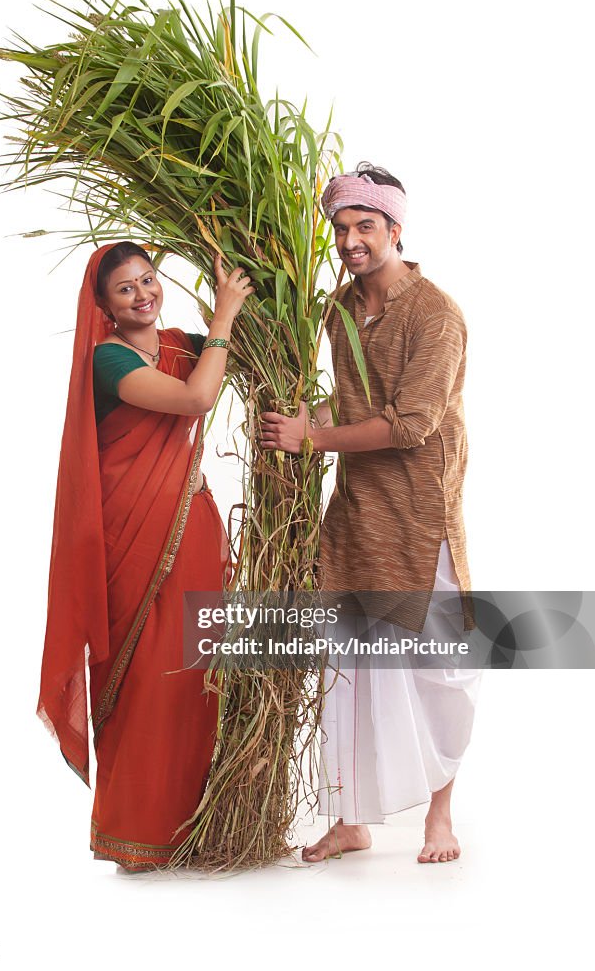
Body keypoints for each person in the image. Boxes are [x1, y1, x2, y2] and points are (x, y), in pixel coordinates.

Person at [260, 163, 482, 864]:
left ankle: (439, 817)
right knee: (346, 667)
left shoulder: (435, 313)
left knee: (439, 665)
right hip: (357, 509)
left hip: (420, 515)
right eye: (341, 228)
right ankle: (348, 817)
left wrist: (314, 438)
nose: (351, 240)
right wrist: (307, 417)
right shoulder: (339, 308)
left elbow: (412, 424)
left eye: (365, 226)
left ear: (395, 229)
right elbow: (352, 404)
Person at [37, 240, 254, 870]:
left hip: (193, 527)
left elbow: (227, 366)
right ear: (103, 304)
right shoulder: (107, 360)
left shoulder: (184, 346)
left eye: (148, 280)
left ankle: (196, 827)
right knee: (145, 676)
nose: (143, 295)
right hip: (132, 539)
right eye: (125, 288)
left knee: (197, 674)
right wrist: (224, 315)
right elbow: (196, 400)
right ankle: (136, 834)